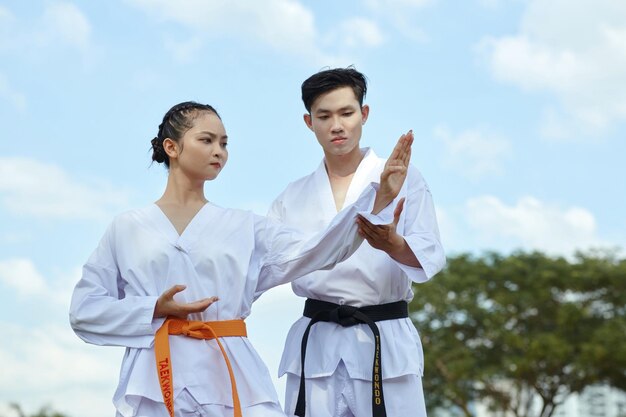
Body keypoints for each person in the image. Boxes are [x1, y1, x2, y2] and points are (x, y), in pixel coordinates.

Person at [69, 101, 412, 417]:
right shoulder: (127, 228)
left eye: (224, 143)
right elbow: (84, 311)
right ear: (171, 147)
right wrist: (153, 310)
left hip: (229, 371)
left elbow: (318, 250)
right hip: (153, 381)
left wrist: (377, 198)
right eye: (207, 140)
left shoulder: (244, 227)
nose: (218, 151)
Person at [267, 68, 446, 417]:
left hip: (384, 339)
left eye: (347, 113)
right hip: (316, 341)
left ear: (364, 114)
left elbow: (431, 252)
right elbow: (272, 265)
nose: (337, 125)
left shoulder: (405, 178)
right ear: (309, 122)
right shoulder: (291, 197)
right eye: (325, 116)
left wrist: (393, 244)